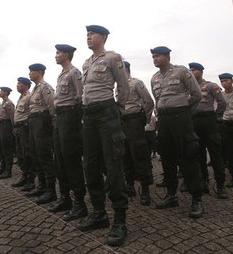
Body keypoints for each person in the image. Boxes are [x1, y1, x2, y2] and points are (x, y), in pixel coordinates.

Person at [76, 25, 129, 247]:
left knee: (113, 164)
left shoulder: (113, 58)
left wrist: (117, 109)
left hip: (107, 113)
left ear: (103, 37)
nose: (88, 36)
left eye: (92, 34)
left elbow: (124, 87)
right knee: (91, 165)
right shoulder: (86, 62)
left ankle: (120, 221)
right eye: (87, 34)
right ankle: (99, 213)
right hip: (89, 116)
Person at [150, 47, 204, 218]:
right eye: (153, 56)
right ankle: (171, 195)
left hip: (181, 117)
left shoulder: (181, 72)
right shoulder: (155, 78)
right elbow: (157, 100)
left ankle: (196, 199)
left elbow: (196, 95)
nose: (154, 58)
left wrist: (185, 112)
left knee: (188, 156)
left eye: (157, 56)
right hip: (164, 120)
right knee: (167, 158)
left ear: (167, 56)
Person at [51, 44, 88, 221]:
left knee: (71, 160)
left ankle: (79, 203)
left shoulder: (74, 73)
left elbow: (81, 97)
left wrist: (77, 121)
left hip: (70, 118)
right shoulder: (61, 75)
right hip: (60, 119)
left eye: (58, 53)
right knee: (59, 159)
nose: (56, 55)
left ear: (66, 54)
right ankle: (65, 198)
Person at [188, 62, 228, 199]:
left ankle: (221, 185)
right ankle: (203, 182)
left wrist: (217, 116)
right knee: (198, 154)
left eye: (194, 70)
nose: (191, 72)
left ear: (201, 71)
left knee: (215, 153)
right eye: (190, 70)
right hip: (194, 121)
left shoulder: (211, 85)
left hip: (209, 120)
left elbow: (222, 102)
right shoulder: (188, 88)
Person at [121, 60, 155, 206]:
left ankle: (145, 190)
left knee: (139, 155)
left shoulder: (136, 83)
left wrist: (144, 119)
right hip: (123, 122)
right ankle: (129, 186)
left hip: (135, 120)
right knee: (126, 154)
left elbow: (149, 101)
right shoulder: (118, 85)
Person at [26, 63, 57, 205]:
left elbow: (52, 107)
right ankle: (42, 186)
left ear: (39, 72)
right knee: (35, 154)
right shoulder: (35, 89)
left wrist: (51, 125)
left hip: (42, 122)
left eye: (31, 72)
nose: (29, 74)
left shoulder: (45, 87)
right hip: (34, 122)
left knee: (44, 155)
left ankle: (50, 190)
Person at [12, 77, 34, 191]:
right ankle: (24, 175)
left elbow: (31, 113)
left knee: (27, 154)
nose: (17, 85)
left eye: (19, 84)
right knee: (20, 154)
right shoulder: (21, 98)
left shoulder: (29, 97)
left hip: (25, 128)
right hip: (19, 128)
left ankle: (30, 179)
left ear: (26, 85)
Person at [0, 87, 16, 179]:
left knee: (7, 148)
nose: (0, 93)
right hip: (1, 125)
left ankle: (8, 170)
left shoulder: (9, 103)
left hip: (7, 126)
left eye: (1, 91)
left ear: (6, 93)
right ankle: (3, 168)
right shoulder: (3, 103)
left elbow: (12, 116)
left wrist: (13, 128)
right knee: (2, 148)